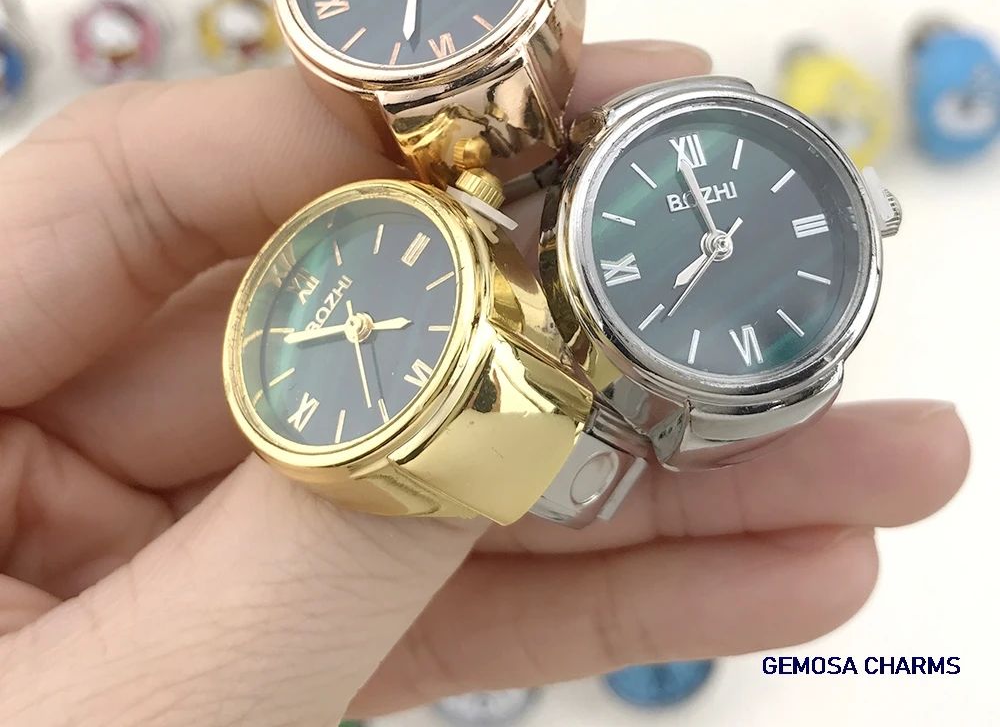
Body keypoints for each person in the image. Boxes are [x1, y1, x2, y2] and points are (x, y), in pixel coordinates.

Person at [0, 41, 969, 725]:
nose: (717, 245)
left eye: (721, 239)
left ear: (864, 213)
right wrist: (463, 458)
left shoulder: (772, 343)